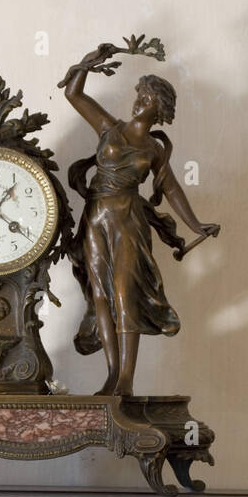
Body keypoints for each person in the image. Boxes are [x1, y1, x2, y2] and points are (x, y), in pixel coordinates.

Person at [62, 46, 220, 395]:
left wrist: (195, 225)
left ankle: (127, 381)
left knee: (124, 294)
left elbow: (172, 188)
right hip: (96, 218)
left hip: (128, 221)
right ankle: (111, 375)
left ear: (159, 110)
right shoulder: (108, 127)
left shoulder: (154, 149)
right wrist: (88, 62)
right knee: (100, 294)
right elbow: (73, 93)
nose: (140, 101)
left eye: (148, 98)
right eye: (140, 94)